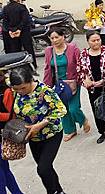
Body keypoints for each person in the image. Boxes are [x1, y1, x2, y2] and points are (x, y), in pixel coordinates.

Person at [10, 66, 66, 194]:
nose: (20, 92)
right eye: (16, 89)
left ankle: (52, 191)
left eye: (23, 88)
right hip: (33, 137)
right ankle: (59, 190)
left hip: (51, 134)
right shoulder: (16, 92)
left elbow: (61, 109)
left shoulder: (44, 91)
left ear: (31, 81)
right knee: (46, 168)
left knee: (42, 169)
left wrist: (40, 125)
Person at [43, 29, 90, 142]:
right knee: (63, 109)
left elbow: (81, 64)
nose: (55, 40)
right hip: (59, 85)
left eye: (57, 37)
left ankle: (83, 120)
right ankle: (70, 130)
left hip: (73, 82)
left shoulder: (73, 48)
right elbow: (48, 69)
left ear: (63, 37)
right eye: (52, 38)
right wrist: (46, 86)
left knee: (73, 108)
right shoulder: (49, 51)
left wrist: (86, 78)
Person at [76, 31, 105, 144]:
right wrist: (85, 80)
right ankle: (103, 132)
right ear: (88, 41)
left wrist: (104, 81)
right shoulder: (83, 54)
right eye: (93, 40)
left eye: (98, 40)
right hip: (92, 88)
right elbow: (79, 70)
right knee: (97, 110)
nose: (96, 42)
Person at [0, 71, 24, 194]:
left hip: (3, 136)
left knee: (3, 172)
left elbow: (12, 115)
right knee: (4, 171)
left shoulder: (7, 92)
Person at [1, 0, 36, 68]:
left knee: (14, 52)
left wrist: (11, 31)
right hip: (23, 32)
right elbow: (25, 20)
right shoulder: (22, 7)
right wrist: (19, 29)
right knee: (28, 49)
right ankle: (32, 67)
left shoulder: (5, 8)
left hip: (12, 34)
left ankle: (17, 68)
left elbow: (5, 21)